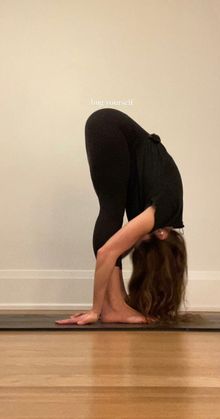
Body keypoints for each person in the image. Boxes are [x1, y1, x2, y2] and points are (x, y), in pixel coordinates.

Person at [56, 108, 188, 326]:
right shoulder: (160, 214)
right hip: (109, 128)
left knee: (112, 215)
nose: (138, 244)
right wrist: (96, 310)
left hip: (110, 128)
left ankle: (116, 303)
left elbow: (114, 248)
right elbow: (106, 252)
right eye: (145, 245)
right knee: (111, 212)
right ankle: (112, 308)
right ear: (163, 235)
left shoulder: (161, 217)